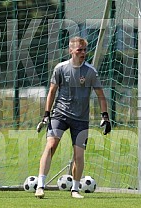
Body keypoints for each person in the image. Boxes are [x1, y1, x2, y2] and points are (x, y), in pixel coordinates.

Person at [35, 36, 111, 199]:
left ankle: (75, 190)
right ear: (71, 51)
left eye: (84, 50)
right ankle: (40, 186)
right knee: (51, 145)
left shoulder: (90, 71)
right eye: (79, 50)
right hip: (60, 114)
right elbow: (52, 91)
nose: (83, 53)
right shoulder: (60, 68)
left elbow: (100, 95)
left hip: (81, 119)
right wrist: (46, 114)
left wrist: (105, 117)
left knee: (78, 154)